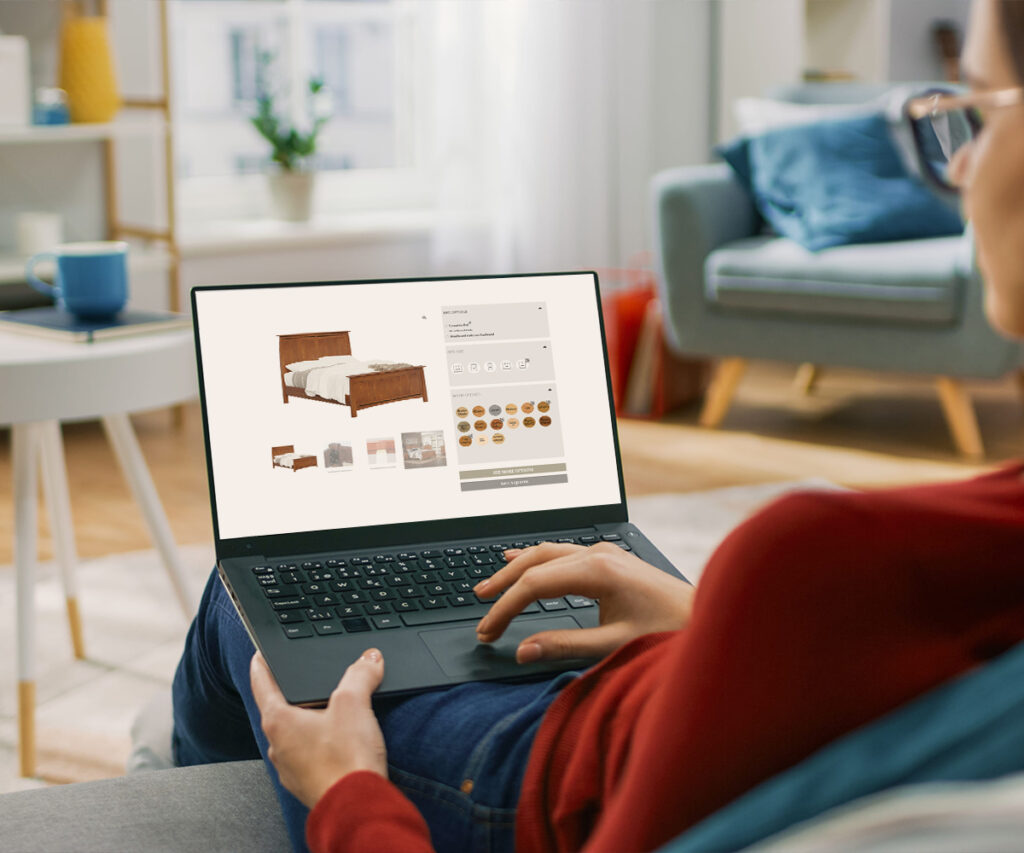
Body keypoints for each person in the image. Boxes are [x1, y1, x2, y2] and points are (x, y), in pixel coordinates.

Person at [172, 2, 1024, 851]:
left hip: (524, 778)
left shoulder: (846, 554)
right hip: (642, 695)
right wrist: (705, 625)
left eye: (973, 114)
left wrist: (348, 790)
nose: (958, 172)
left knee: (244, 594)